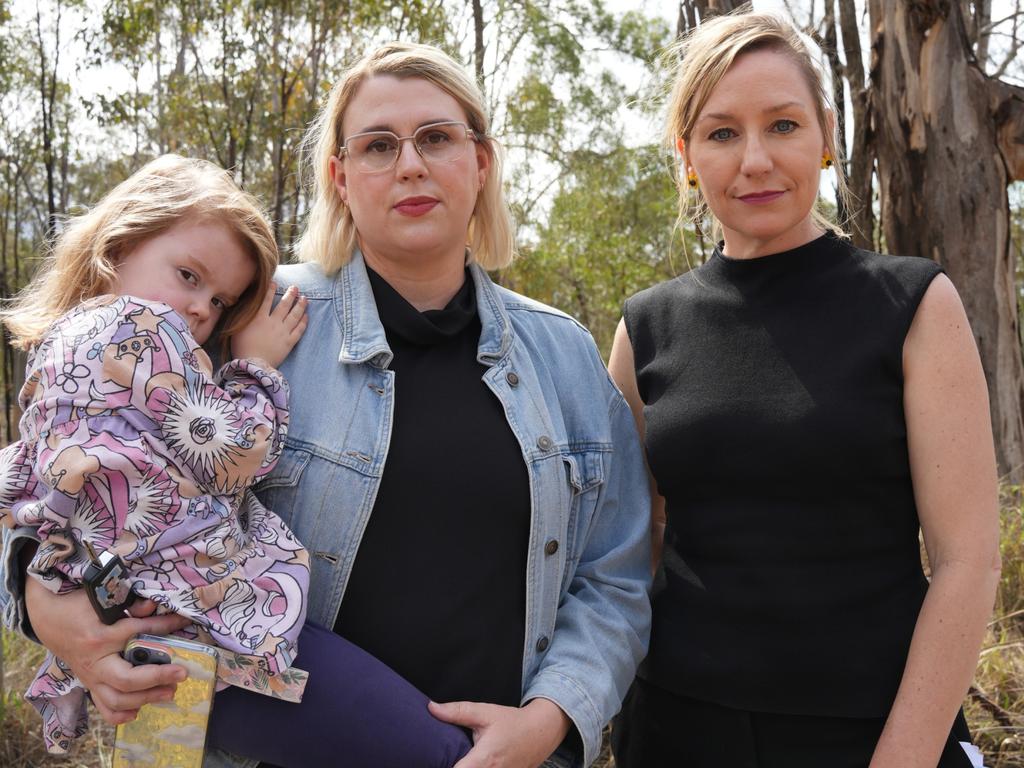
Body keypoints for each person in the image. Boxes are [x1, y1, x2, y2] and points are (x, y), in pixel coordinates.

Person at [4, 42, 652, 768]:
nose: (410, 165)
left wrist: (551, 720)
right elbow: (61, 472)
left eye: (436, 138)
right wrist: (43, 607)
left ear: (482, 162)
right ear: (341, 177)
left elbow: (614, 578)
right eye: (379, 145)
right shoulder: (244, 324)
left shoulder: (565, 361)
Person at [607, 11, 1000, 768]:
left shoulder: (914, 304)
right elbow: (636, 544)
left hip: (873, 732)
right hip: (675, 730)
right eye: (722, 134)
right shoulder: (645, 326)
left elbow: (967, 561)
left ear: (824, 133)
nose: (755, 160)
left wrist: (905, 757)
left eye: (782, 125)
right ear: (686, 155)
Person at [0, 154, 476, 767]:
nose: (202, 311)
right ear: (118, 247)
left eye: (222, 301)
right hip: (199, 622)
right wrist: (255, 367)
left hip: (140, 624)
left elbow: (21, 482)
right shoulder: (136, 327)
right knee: (436, 752)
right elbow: (234, 451)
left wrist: (46, 586)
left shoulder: (54, 358)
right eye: (189, 275)